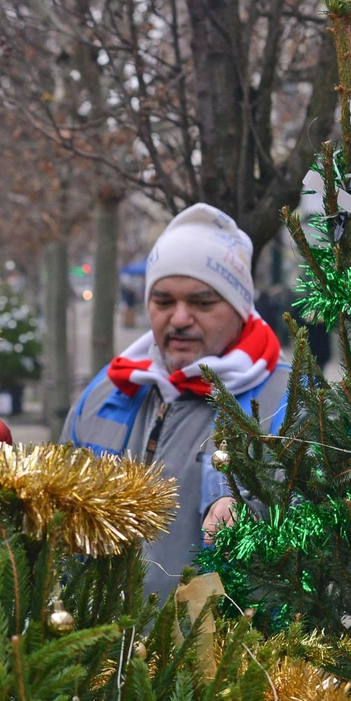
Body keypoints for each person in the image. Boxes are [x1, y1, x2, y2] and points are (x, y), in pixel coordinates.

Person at [63, 204, 290, 599]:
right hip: (104, 655)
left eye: (203, 303)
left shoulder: (291, 401)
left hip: (234, 655)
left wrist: (250, 516)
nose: (180, 319)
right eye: (164, 301)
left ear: (240, 308)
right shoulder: (106, 392)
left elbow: (323, 549)